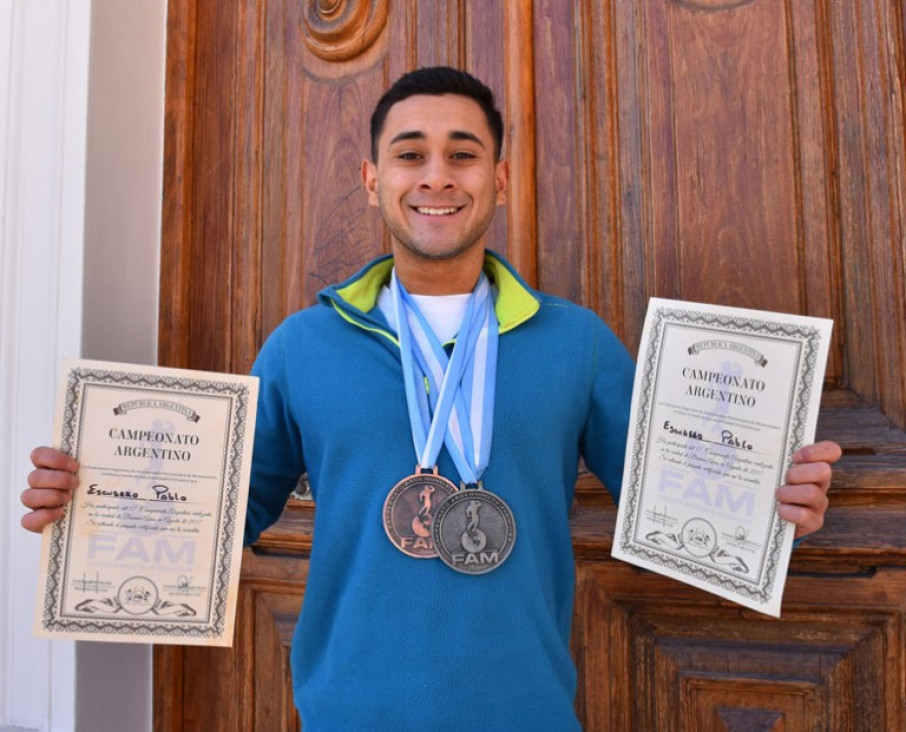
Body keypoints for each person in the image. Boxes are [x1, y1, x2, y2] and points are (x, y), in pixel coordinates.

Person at [21, 67, 842, 731]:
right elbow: (218, 515)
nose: (437, 176)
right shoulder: (302, 347)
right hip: (346, 716)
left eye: (464, 153)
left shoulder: (576, 341)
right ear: (374, 178)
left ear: (501, 177)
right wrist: (94, 503)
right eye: (411, 154)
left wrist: (775, 505)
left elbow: (671, 499)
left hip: (526, 716)